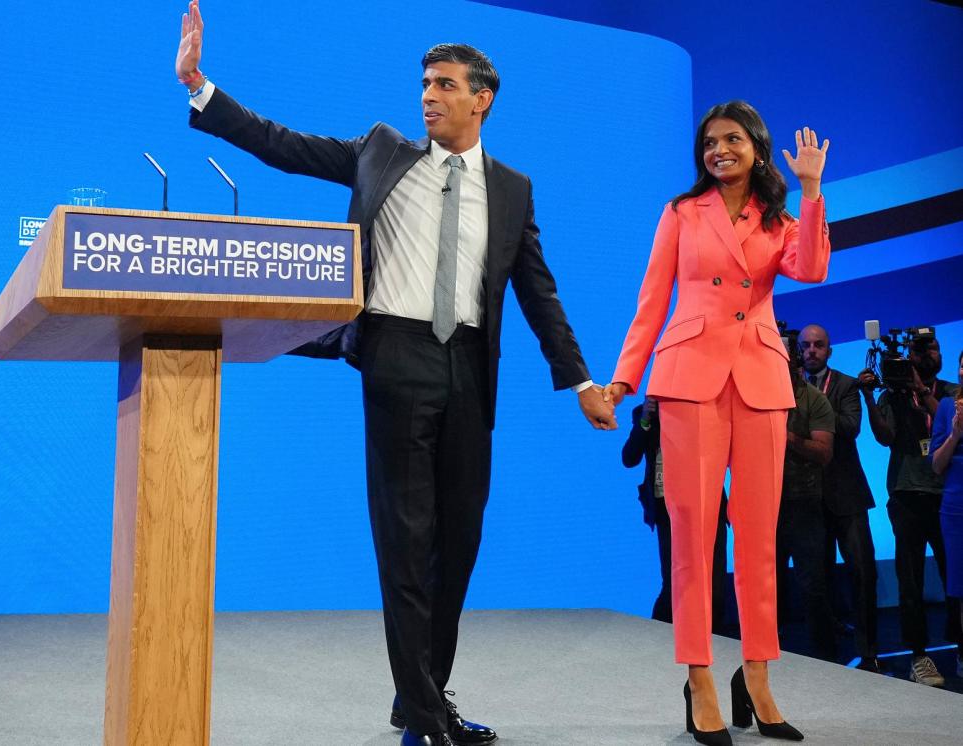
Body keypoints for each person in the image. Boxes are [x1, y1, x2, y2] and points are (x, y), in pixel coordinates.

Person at [174, 4, 617, 744]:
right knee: (406, 544)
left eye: (445, 84)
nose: (428, 97)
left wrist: (578, 382)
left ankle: (420, 694)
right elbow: (280, 145)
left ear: (483, 99)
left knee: (459, 542)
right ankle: (424, 714)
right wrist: (200, 86)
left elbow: (537, 292)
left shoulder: (512, 189)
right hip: (396, 361)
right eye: (424, 84)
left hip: (470, 371)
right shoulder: (381, 151)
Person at [604, 101, 830, 745]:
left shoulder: (784, 219)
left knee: (759, 539)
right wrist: (625, 378)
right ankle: (700, 676)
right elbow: (653, 299)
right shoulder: (681, 212)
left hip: (760, 383)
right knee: (692, 538)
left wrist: (812, 191)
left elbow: (811, 269)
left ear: (757, 147)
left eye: (732, 139)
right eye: (709, 141)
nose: (719, 149)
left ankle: (756, 676)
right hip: (689, 384)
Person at [860, 335, 961, 686]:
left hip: (947, 496)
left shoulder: (952, 393)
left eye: (931, 348)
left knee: (957, 577)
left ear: (940, 354)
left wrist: (923, 392)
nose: (925, 354)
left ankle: (961, 646)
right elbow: (885, 437)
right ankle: (918, 656)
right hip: (906, 496)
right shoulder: (894, 395)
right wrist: (870, 397)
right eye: (918, 350)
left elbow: (953, 427)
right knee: (910, 579)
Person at [798, 323, 882, 672]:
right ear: (798, 351)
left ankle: (869, 650)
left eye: (819, 345)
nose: (812, 351)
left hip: (847, 494)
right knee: (815, 579)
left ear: (829, 350)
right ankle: (825, 654)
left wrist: (814, 409)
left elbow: (850, 428)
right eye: (806, 346)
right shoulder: (785, 389)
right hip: (806, 496)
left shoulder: (845, 385)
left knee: (862, 574)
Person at [622, 397, 729, 626]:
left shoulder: (703, 408)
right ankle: (658, 641)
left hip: (708, 504)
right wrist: (644, 421)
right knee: (673, 585)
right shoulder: (645, 414)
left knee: (715, 586)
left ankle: (716, 642)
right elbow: (629, 458)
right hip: (667, 510)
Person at [776, 332, 836, 662]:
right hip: (765, 504)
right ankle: (764, 660)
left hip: (804, 503)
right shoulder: (755, 397)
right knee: (766, 587)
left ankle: (826, 660)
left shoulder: (814, 399)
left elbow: (825, 452)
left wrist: (786, 438)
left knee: (813, 586)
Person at [929, 349, 963, 678]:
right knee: (959, 583)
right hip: (955, 506)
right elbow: (937, 465)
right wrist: (955, 433)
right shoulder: (947, 407)